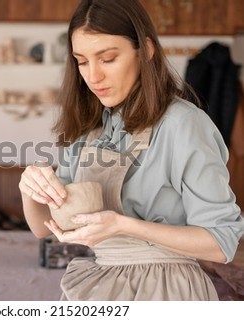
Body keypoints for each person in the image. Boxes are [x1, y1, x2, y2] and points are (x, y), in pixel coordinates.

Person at [18, 0, 244, 300]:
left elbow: (221, 243)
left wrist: (124, 226)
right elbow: (44, 229)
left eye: (108, 58)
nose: (93, 76)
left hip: (167, 291)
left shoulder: (183, 124)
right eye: (82, 61)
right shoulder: (89, 128)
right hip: (100, 288)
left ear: (146, 51)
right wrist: (29, 188)